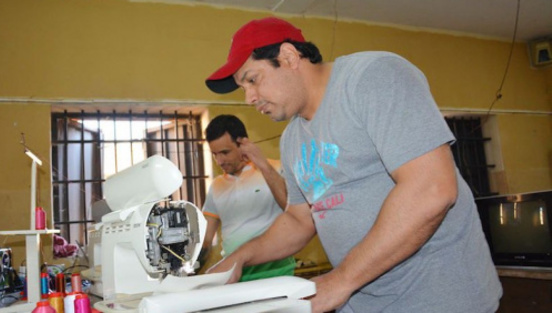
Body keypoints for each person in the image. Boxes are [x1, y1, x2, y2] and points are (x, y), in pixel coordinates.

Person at [204, 17, 502, 313]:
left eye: (252, 80)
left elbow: (432, 189)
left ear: (289, 57)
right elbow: (299, 220)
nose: (249, 98)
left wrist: (342, 280)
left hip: (440, 300)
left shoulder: (372, 77)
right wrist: (240, 257)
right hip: (362, 303)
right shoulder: (293, 138)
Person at [199, 114, 296, 282]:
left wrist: (262, 165)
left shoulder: (276, 169)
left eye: (225, 152)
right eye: (215, 154)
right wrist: (189, 273)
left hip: (277, 275)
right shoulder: (216, 187)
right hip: (236, 278)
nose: (219, 161)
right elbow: (206, 240)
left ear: (243, 144)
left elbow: (291, 209)